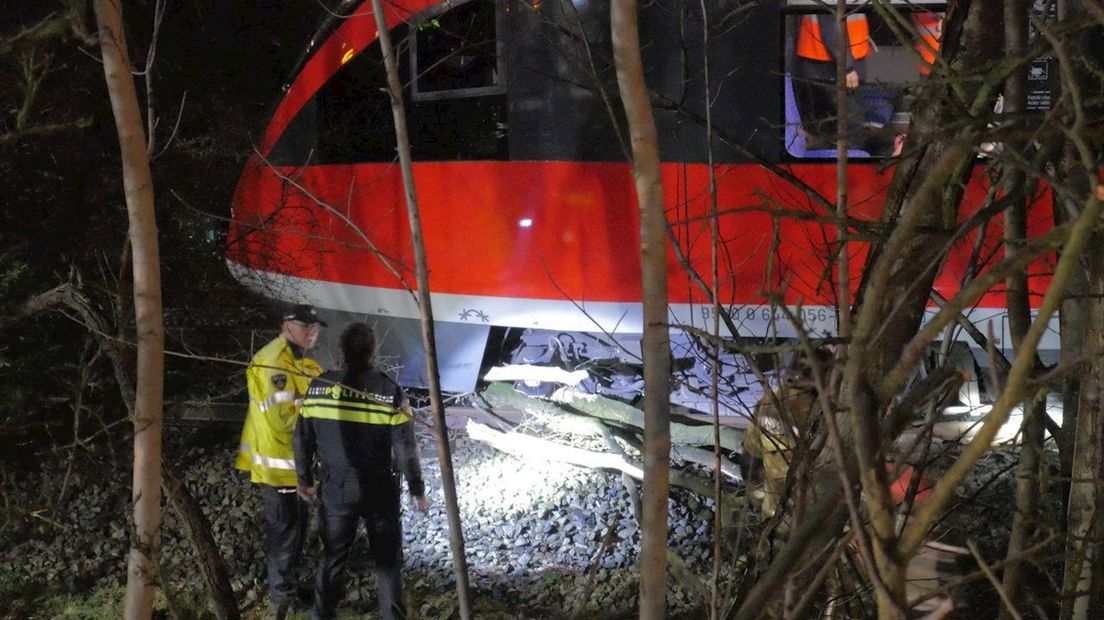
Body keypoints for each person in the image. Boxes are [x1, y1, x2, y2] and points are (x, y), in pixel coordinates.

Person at [294, 322, 428, 620]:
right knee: (387, 562)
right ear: (372, 352)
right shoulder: (388, 391)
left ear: (341, 351)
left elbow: (302, 437)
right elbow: (406, 446)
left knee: (332, 558)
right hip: (379, 488)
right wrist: (416, 487)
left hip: (336, 488)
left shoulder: (320, 387)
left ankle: (321, 616)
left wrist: (303, 479)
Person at [234, 303, 326, 612]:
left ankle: (285, 589)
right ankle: (281, 596)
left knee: (294, 530)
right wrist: (321, 419)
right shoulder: (275, 364)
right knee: (286, 530)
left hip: (294, 463)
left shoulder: (299, 362)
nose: (312, 331)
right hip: (280, 464)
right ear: (287, 326)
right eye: (305, 326)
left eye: (315, 327)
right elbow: (283, 419)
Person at [791, 13, 875, 145]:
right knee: (851, 126)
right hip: (829, 65)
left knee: (834, 126)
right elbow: (832, 27)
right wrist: (847, 67)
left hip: (830, 62)